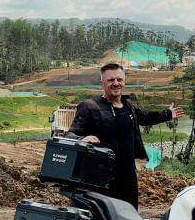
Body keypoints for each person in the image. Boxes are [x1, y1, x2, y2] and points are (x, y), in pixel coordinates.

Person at [66, 63, 184, 209]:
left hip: (127, 175)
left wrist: (168, 114)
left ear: (124, 81)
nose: (116, 83)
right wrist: (82, 139)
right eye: (111, 80)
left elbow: (146, 117)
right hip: (99, 178)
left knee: (128, 213)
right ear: (102, 82)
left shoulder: (128, 106)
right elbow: (70, 134)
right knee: (102, 216)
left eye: (119, 79)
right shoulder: (90, 107)